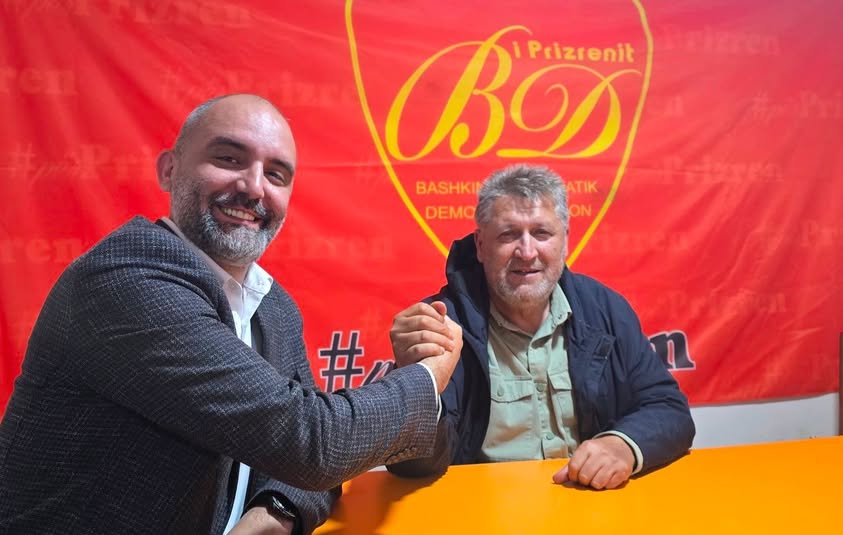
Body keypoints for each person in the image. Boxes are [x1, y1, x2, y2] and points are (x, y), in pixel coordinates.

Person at [0, 94, 462, 534]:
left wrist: (278, 511)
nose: (253, 187)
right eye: (228, 159)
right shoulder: (126, 281)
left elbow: (308, 466)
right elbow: (313, 443)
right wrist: (426, 377)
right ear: (169, 170)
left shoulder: (273, 307)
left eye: (276, 175)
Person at [387, 164, 695, 490]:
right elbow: (411, 466)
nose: (527, 251)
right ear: (480, 245)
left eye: (541, 233)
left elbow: (668, 408)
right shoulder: (442, 323)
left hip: (589, 503)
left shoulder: (605, 310)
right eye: (508, 235)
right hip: (481, 509)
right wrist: (414, 385)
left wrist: (623, 445)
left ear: (565, 241)